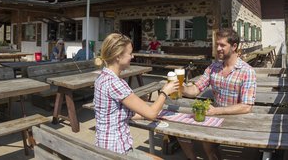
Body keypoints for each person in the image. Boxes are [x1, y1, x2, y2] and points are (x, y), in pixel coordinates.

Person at [94, 33, 178, 156]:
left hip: (103, 145)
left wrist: (143, 110)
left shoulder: (102, 78)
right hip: (117, 150)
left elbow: (116, 114)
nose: (132, 56)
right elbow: (151, 114)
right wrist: (165, 92)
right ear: (118, 56)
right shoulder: (115, 83)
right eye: (130, 53)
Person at [179, 28, 257, 160]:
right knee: (180, 131)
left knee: (207, 141)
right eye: (217, 45)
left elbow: (246, 106)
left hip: (236, 120)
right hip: (214, 116)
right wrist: (181, 88)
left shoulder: (247, 72)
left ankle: (211, 155)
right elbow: (196, 89)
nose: (218, 49)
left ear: (234, 47)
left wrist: (216, 111)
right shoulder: (213, 68)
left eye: (222, 45)